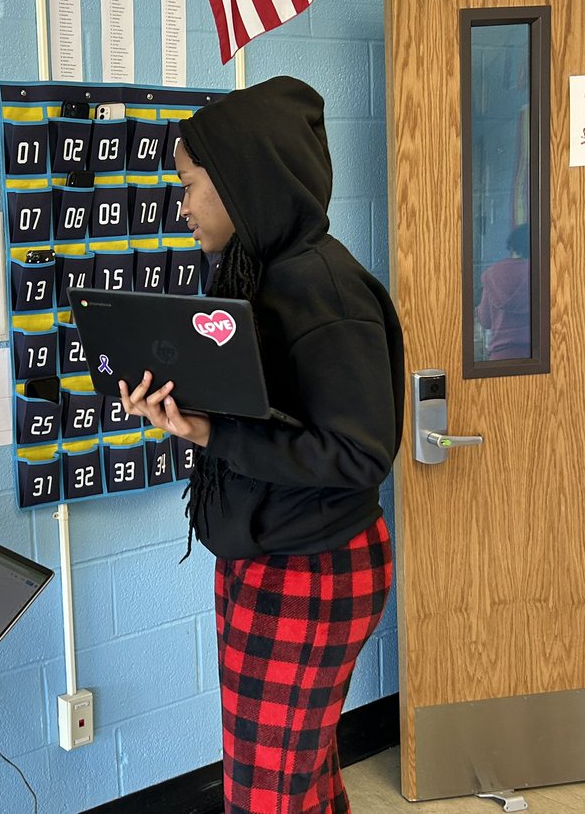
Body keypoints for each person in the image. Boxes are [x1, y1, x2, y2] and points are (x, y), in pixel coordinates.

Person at [121, 77, 404, 814]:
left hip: (312, 565)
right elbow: (270, 414)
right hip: (267, 557)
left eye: (188, 185)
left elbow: (358, 455)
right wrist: (180, 411)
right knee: (294, 774)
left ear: (245, 181)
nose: (180, 205)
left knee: (268, 793)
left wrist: (214, 433)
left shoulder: (324, 292)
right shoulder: (256, 275)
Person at [475, 223, 531, 360]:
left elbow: (485, 320)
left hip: (500, 357)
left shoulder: (492, 274)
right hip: (536, 356)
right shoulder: (541, 272)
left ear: (512, 246)